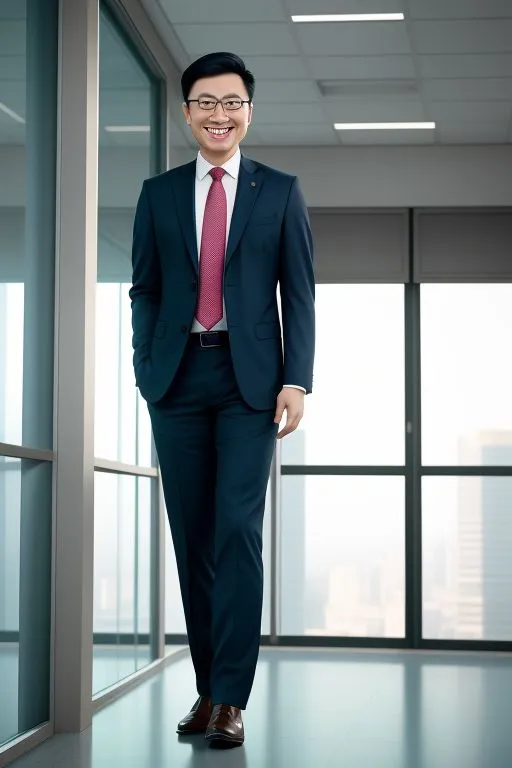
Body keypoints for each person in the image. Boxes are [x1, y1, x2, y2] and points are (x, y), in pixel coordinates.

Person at [129, 51, 315, 749]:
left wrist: (297, 378)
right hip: (176, 382)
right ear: (187, 113)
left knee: (236, 531)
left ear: (248, 111)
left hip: (249, 386)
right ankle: (210, 689)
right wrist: (147, 366)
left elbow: (298, 294)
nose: (219, 114)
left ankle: (232, 697)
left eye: (231, 102)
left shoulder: (280, 191)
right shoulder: (161, 192)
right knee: (193, 539)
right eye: (206, 102)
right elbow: (145, 287)